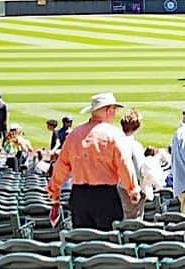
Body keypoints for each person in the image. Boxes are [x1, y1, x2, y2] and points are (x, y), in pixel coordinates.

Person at [48, 93, 140, 230]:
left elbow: (61, 167)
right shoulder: (113, 135)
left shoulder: (74, 135)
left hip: (79, 196)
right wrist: (133, 190)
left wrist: (54, 193)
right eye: (114, 110)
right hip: (105, 196)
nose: (115, 113)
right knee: (107, 242)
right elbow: (124, 164)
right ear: (108, 110)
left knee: (83, 242)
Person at [118, 109, 159, 219]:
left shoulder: (116, 142)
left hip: (117, 188)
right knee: (133, 221)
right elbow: (139, 170)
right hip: (131, 189)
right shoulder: (135, 145)